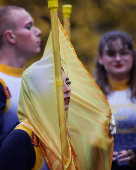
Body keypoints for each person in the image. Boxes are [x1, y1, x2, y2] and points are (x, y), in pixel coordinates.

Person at [0, 20, 113, 170]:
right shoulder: (19, 140)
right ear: (37, 92)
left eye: (68, 83)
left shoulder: (64, 135)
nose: (67, 89)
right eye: (58, 84)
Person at [94, 30, 136, 169]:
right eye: (111, 54)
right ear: (100, 58)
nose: (118, 58)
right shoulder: (90, 95)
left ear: (133, 56)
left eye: (124, 53)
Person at [0, 5, 41, 144]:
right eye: (29, 27)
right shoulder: (2, 81)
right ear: (10, 36)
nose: (39, 31)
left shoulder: (35, 80)